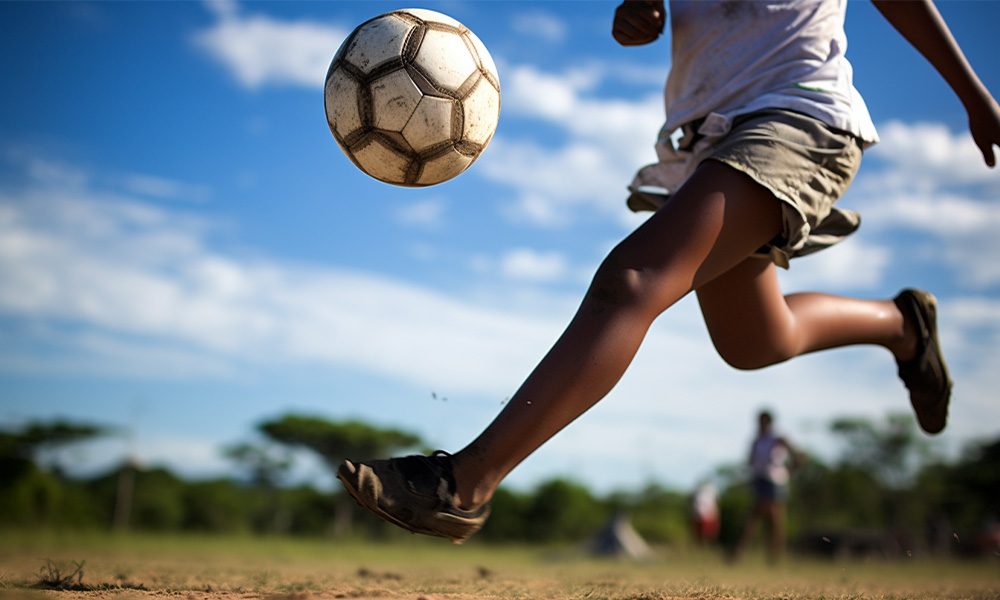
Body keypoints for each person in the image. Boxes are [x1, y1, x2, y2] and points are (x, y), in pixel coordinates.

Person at [337, 0, 1000, 544]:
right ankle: (901, 324)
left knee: (634, 278)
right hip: (710, 137)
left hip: (798, 116)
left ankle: (465, 483)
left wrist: (972, 94)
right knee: (753, 342)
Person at [731, 410, 804, 563]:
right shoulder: (756, 440)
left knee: (773, 519)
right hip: (759, 480)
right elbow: (751, 461)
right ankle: (748, 552)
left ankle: (772, 555)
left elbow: (798, 455)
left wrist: (788, 472)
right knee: (757, 517)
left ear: (769, 422)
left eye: (763, 420)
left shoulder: (778, 438)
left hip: (774, 481)